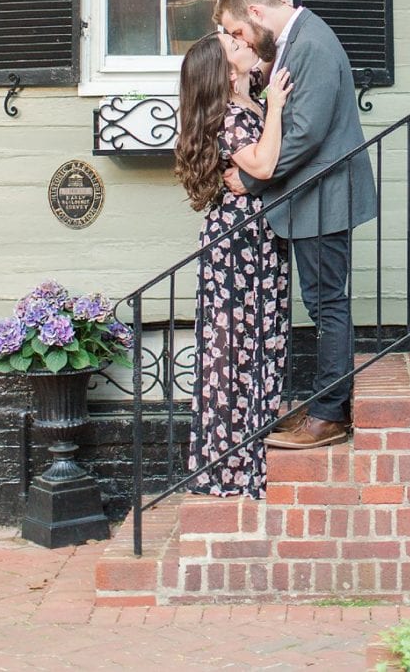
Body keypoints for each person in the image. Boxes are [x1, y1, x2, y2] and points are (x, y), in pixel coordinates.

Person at [215, 0, 378, 450]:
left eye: (239, 33)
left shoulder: (311, 44)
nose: (240, 42)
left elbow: (305, 132)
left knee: (327, 302)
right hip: (312, 198)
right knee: (321, 301)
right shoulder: (294, 42)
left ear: (257, 15)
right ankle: (326, 397)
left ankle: (330, 414)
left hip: (323, 197)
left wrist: (251, 178)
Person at [173, 30, 293, 497]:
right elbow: (262, 166)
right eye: (233, 46)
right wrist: (278, 108)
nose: (242, 44)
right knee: (233, 349)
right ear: (224, 71)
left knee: (259, 340)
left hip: (256, 239)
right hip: (237, 244)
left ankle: (251, 458)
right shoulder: (229, 117)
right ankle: (232, 467)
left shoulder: (245, 100)